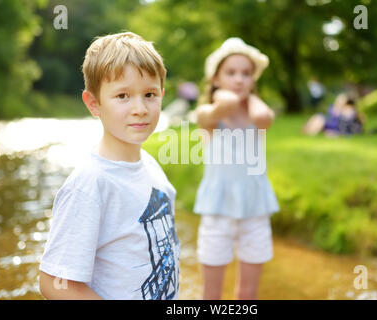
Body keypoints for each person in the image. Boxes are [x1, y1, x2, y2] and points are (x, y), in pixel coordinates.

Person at [38, 32, 180, 300]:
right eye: (123, 96)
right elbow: (53, 282)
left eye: (149, 94)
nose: (140, 108)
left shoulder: (150, 167)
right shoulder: (90, 184)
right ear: (94, 104)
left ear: (161, 95)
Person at [193, 37, 279, 300]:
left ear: (254, 81)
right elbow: (221, 107)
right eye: (231, 73)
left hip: (255, 209)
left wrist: (247, 95)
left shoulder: (257, 113)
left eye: (246, 74)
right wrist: (222, 95)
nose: (240, 79)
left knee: (248, 293)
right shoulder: (209, 114)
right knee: (212, 294)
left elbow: (265, 118)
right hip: (217, 210)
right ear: (215, 78)